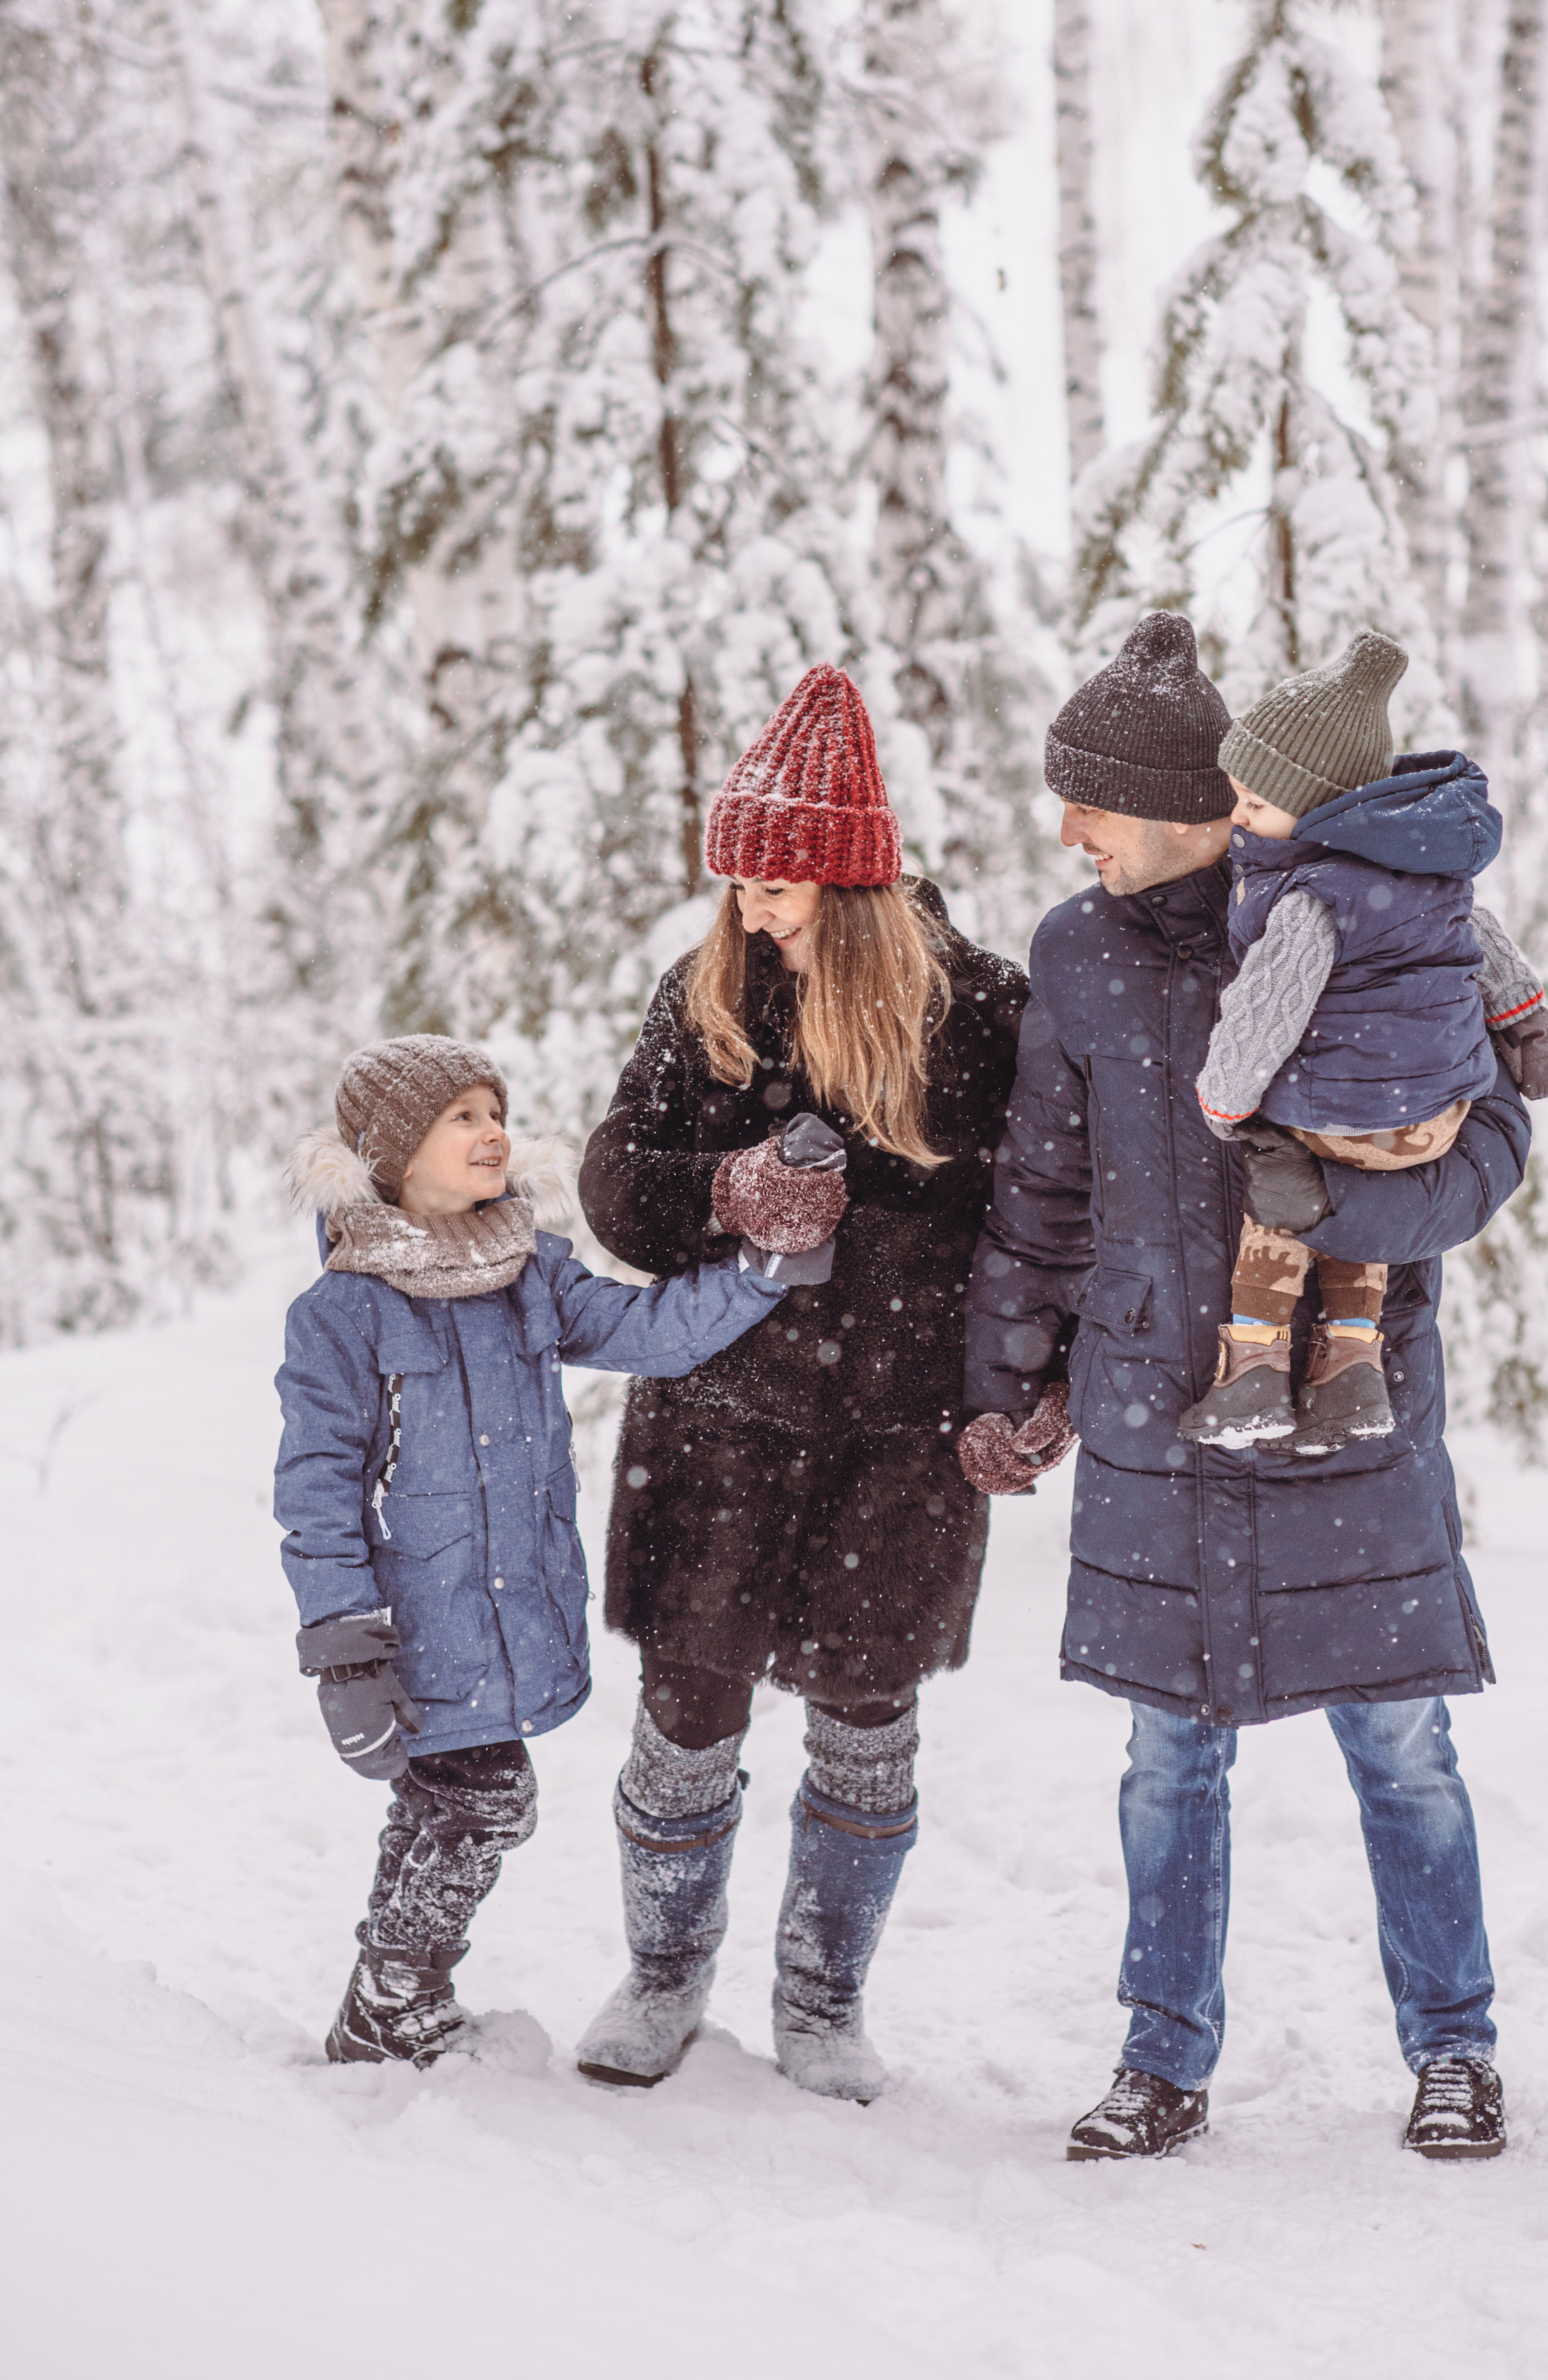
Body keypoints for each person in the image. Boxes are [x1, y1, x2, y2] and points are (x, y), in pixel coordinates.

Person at [959, 611, 1548, 2165]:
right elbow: (1039, 1178)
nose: (1067, 830)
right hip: (1158, 1405)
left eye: (1084, 800)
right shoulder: (1074, 950)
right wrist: (1007, 1371)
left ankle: (1453, 2045)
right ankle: (1159, 2061)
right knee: (1168, 1756)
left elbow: (1485, 1139)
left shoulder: (1341, 911)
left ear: (1182, 806)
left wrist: (1337, 1213)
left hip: (1344, 1397)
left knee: (1398, 1747)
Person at [574, 663, 1027, 2102]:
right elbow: (612, 1188)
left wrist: (1031, 1383)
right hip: (714, 1426)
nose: (748, 908)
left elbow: (1042, 1224)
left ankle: (823, 2003)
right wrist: (728, 1186)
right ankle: (660, 1983)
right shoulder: (702, 996)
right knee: (686, 1714)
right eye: (737, 881)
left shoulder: (979, 1014)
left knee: (865, 1722)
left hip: (901, 1442)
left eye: (775, 883)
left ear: (849, 884)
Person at [273, 1032, 839, 2067]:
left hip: (510, 1609)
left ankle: (389, 2001)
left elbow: (652, 1331)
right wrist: (345, 1646)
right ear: (395, 1150)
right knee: (482, 1800)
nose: (495, 1132)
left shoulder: (528, 1270)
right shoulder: (344, 1312)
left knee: (449, 1803)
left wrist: (763, 1270)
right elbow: (315, 1491)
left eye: (497, 1111)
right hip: (420, 1623)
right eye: (463, 1117)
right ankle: (391, 1999)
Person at [1181, 628, 1548, 1452]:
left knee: (1279, 1198)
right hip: (1435, 1117)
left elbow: (1266, 1007)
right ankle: (1350, 1370)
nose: (1238, 815)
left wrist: (1225, 1102)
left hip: (1346, 1114)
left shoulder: (1309, 895)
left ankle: (1252, 1368)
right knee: (1360, 1211)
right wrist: (1524, 1018)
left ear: (1316, 806)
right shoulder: (1424, 868)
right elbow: (1481, 938)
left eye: (1254, 800)